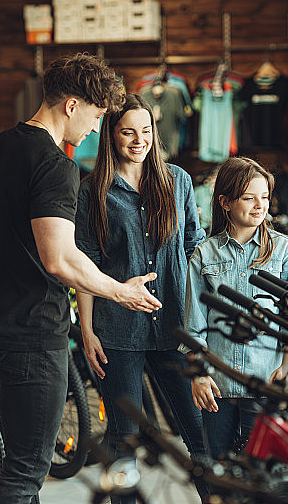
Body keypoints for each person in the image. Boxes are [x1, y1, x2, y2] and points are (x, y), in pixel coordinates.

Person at [0, 53, 162, 504]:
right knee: (26, 474)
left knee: (16, 465)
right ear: (71, 105)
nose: (97, 129)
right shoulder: (56, 166)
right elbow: (60, 259)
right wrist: (120, 291)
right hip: (33, 339)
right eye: (98, 115)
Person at [74, 94, 208, 504]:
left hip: (174, 329)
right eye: (128, 132)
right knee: (124, 438)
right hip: (117, 332)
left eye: (146, 131)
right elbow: (86, 266)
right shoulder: (92, 191)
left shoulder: (178, 181)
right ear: (111, 135)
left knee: (200, 435)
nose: (139, 140)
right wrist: (87, 331)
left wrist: (202, 324)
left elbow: (194, 250)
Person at [184, 156, 288, 459]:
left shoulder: (284, 251)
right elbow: (193, 324)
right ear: (225, 202)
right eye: (249, 197)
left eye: (264, 197)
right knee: (218, 471)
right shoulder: (204, 254)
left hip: (265, 382)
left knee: (264, 474)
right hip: (217, 387)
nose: (259, 205)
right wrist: (198, 373)